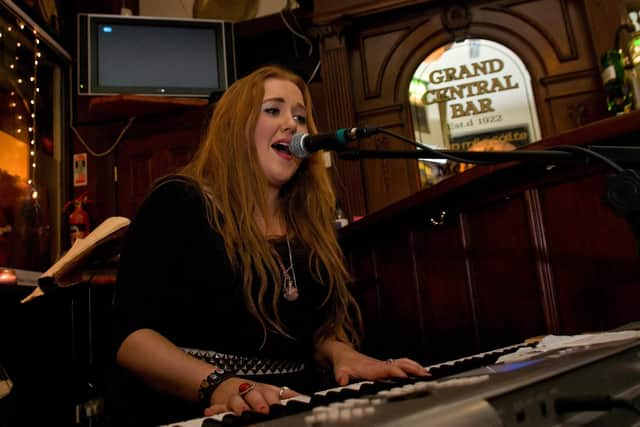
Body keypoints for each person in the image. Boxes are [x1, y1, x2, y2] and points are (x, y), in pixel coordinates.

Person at [108, 65, 428, 426]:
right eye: (273, 110)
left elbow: (312, 331)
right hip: (201, 410)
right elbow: (130, 339)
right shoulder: (179, 201)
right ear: (235, 128)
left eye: (301, 116)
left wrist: (342, 353)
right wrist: (220, 384)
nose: (292, 124)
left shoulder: (308, 222)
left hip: (298, 404)